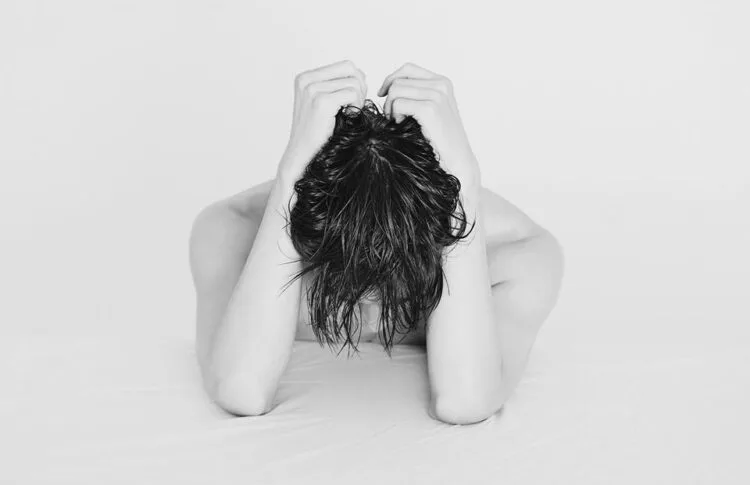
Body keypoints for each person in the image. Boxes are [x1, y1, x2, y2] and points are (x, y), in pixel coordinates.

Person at [189, 60, 565, 424]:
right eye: (340, 262)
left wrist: (464, 178)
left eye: (398, 263)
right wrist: (290, 175)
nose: (370, 296)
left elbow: (465, 401)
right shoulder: (230, 230)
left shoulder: (519, 256)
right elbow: (241, 390)